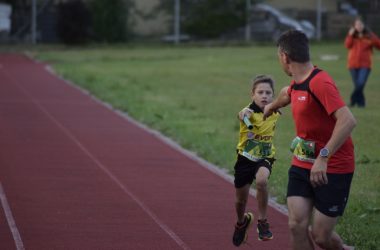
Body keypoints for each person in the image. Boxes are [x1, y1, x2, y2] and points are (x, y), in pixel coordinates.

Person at [263, 30, 357, 250]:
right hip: (302, 162)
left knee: (321, 238)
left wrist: (323, 157)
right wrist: (272, 106)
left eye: (279, 57)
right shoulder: (298, 82)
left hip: (332, 166)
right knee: (296, 224)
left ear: (285, 57)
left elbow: (348, 120)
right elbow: (289, 92)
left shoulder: (320, 83)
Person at [232, 75, 280, 247]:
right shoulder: (248, 112)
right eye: (260, 92)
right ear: (252, 94)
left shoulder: (275, 111)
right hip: (245, 158)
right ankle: (241, 222)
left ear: (273, 96)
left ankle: (262, 221)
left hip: (265, 156)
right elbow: (241, 114)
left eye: (268, 92)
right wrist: (244, 113)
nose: (264, 96)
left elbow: (288, 97)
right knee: (240, 201)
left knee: (261, 181)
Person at [344, 17, 380, 107]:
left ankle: (352, 101)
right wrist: (350, 35)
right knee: (358, 85)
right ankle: (361, 103)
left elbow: (378, 45)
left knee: (360, 84)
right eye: (357, 25)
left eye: (360, 24)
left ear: (364, 25)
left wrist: (372, 36)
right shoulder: (352, 36)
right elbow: (347, 45)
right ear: (354, 26)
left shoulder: (369, 36)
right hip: (352, 65)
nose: (359, 26)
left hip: (365, 65)